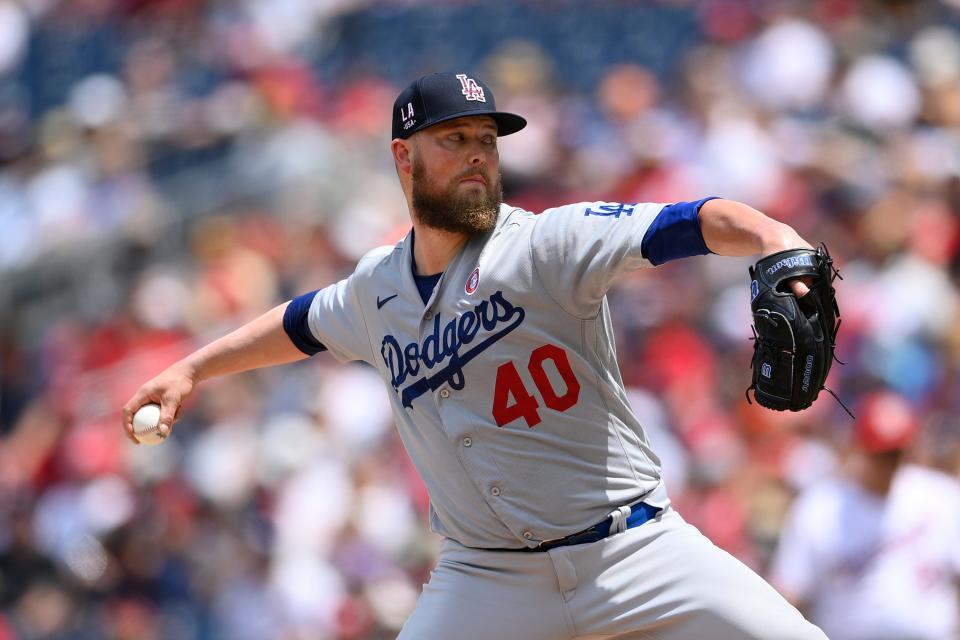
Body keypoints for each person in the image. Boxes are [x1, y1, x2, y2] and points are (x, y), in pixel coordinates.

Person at [123, 71, 826, 639]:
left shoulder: (548, 243)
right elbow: (301, 322)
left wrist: (769, 236)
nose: (477, 156)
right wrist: (193, 368)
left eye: (487, 140)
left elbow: (686, 222)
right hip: (487, 581)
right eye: (454, 138)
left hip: (633, 549)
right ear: (404, 157)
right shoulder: (376, 289)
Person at [771, 391, 960, 640]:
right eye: (881, 455)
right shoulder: (821, 507)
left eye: (896, 454)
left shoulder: (942, 496)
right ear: (860, 450)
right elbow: (789, 592)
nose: (889, 464)